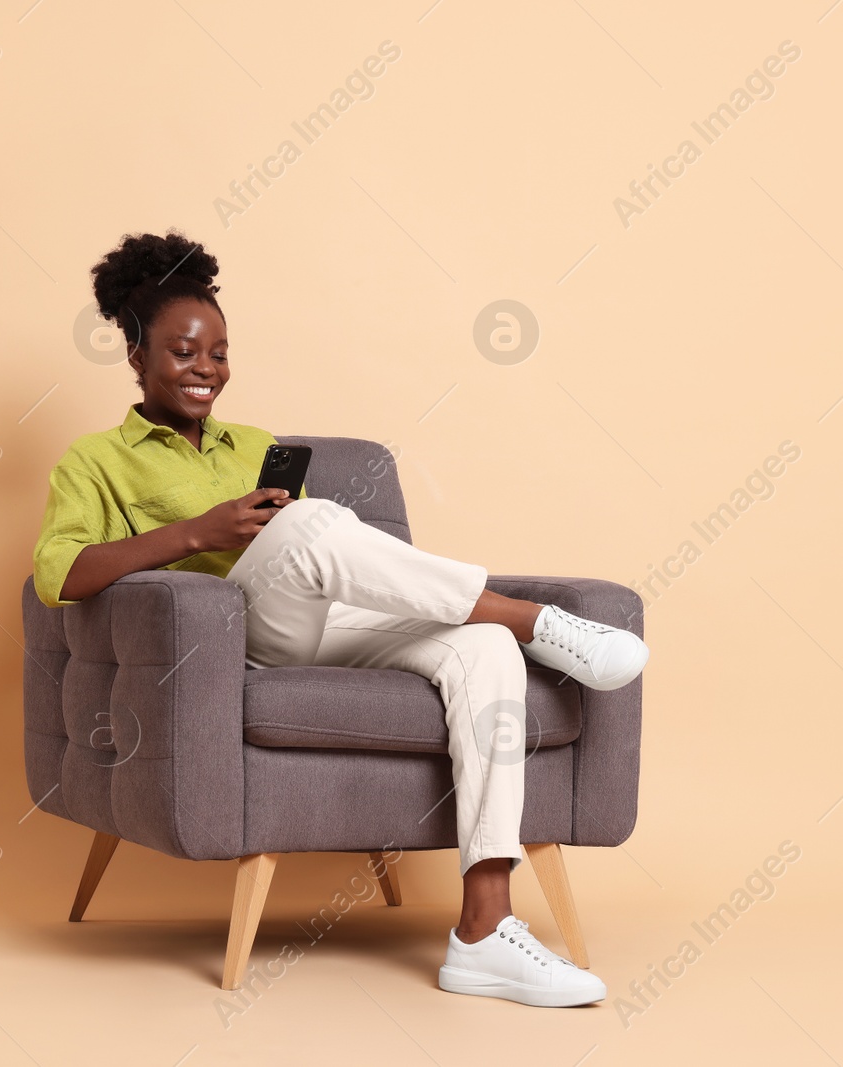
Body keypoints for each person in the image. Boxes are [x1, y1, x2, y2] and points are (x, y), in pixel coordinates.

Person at [33, 230, 650, 1008]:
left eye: (219, 353)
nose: (207, 371)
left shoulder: (255, 445)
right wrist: (199, 532)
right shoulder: (94, 461)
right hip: (225, 646)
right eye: (185, 353)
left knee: (482, 648)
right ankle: (535, 618)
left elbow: (321, 557)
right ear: (135, 355)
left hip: (320, 622)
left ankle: (485, 933)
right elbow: (60, 574)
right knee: (311, 524)